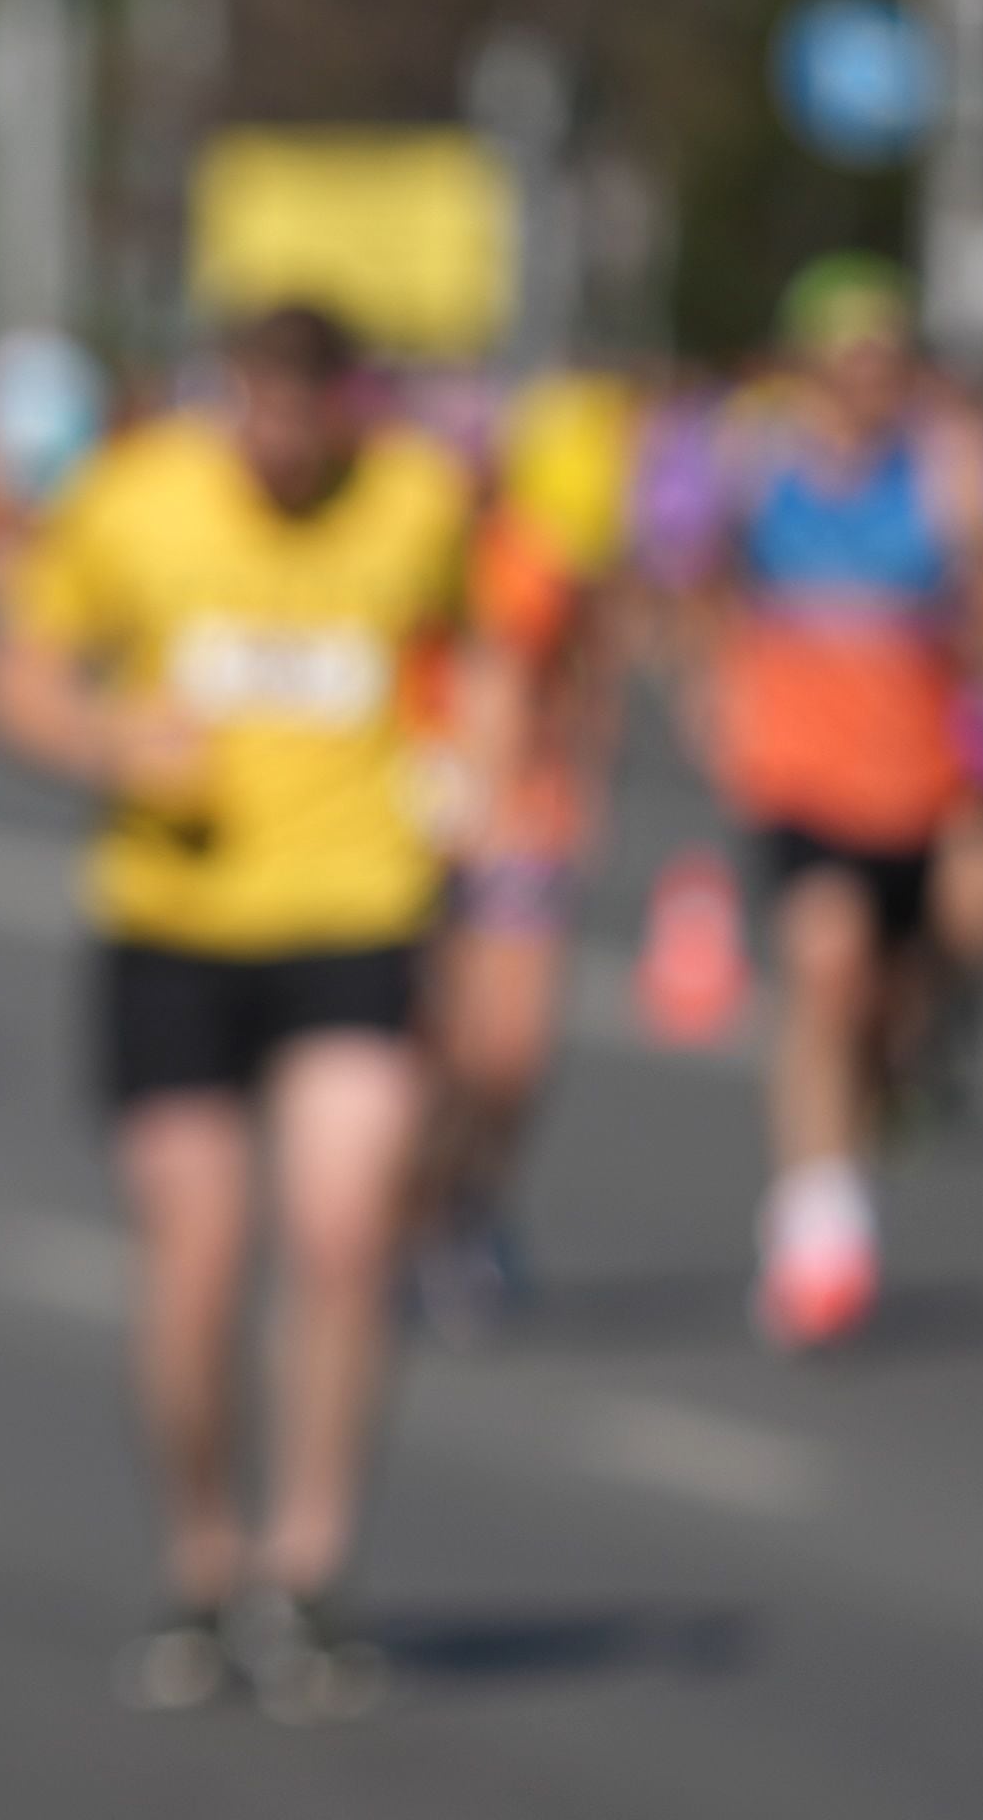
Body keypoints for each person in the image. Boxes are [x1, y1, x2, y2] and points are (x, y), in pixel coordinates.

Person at [0, 305, 469, 1723]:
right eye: (259, 411)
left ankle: (306, 1564)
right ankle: (203, 1553)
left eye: (309, 418)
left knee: (346, 1225)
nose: (282, 444)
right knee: (198, 1255)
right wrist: (104, 739)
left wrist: (484, 758)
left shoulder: (419, 501)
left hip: (355, 912)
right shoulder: (136, 502)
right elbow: (14, 672)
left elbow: (493, 642)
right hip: (174, 924)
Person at [671, 258, 983, 1351]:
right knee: (826, 966)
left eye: (888, 360)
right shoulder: (756, 455)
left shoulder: (945, 465)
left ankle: (900, 1076)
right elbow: (700, 587)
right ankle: (819, 1223)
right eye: (849, 360)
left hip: (928, 774)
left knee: (941, 958)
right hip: (805, 772)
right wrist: (715, 691)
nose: (871, 382)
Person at [414, 369, 640, 1338]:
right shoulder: (386, 553)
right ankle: (410, 1215)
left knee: (512, 1050)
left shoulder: (536, 560)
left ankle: (472, 1202)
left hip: (522, 820)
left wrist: (577, 780)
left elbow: (590, 667)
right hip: (402, 824)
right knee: (435, 1053)